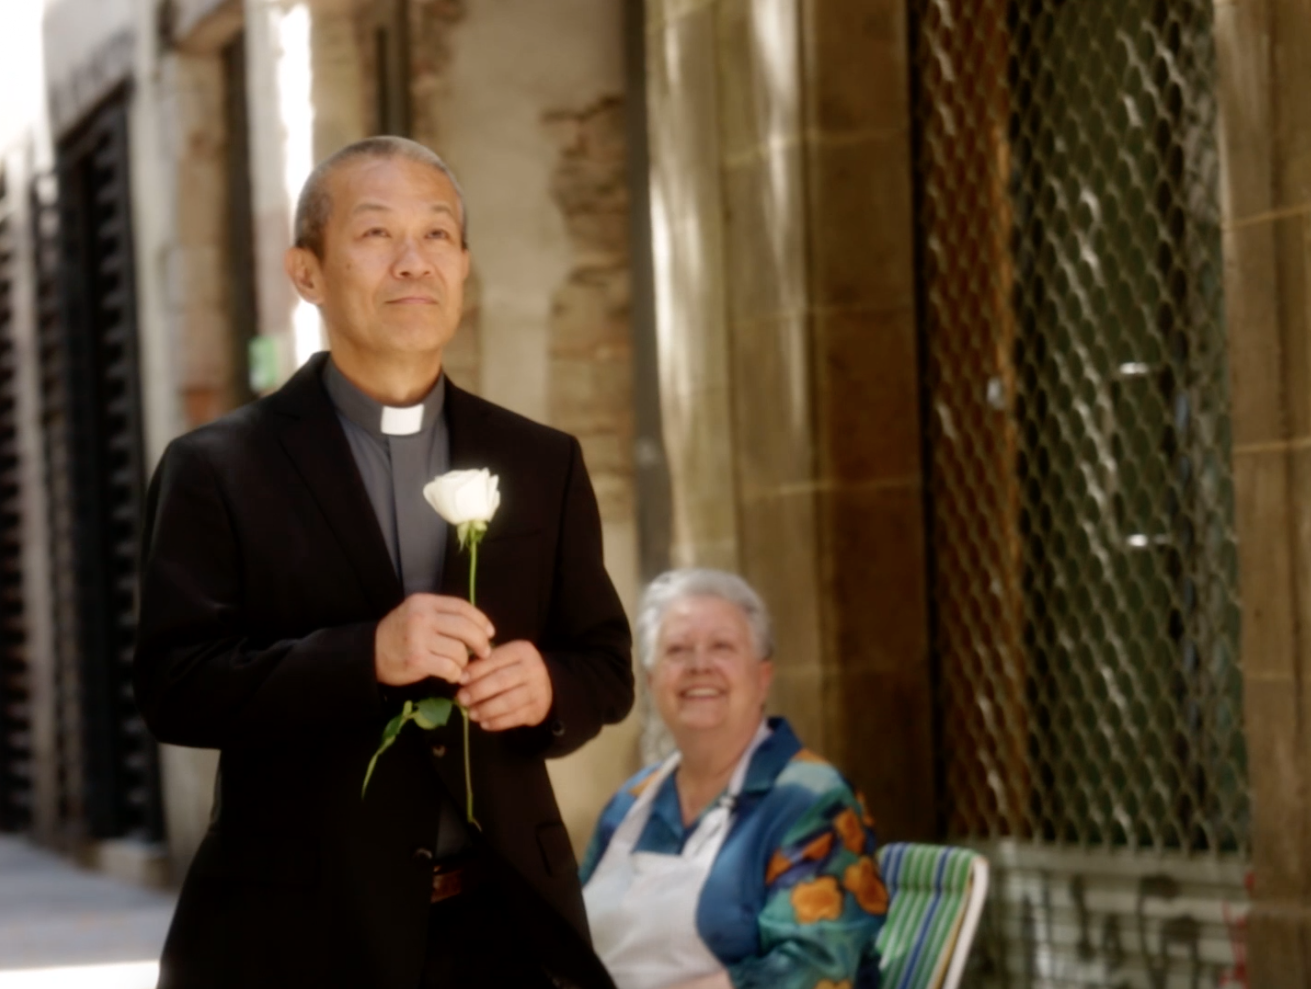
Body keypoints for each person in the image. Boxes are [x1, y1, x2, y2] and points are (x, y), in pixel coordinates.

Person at [134, 136, 633, 988]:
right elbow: (175, 685)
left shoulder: (543, 459)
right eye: (376, 235)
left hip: (504, 924)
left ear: (465, 266)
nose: (414, 262)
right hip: (298, 937)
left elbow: (605, 664)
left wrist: (549, 687)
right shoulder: (217, 467)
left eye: (437, 235)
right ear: (307, 271)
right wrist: (364, 655)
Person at [582, 569, 887, 989]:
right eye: (677, 650)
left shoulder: (813, 801)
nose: (699, 666)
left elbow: (819, 969)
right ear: (651, 683)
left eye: (722, 647)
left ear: (763, 676)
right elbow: (568, 948)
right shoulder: (628, 805)